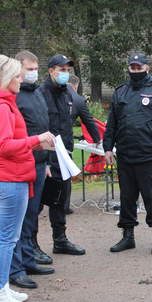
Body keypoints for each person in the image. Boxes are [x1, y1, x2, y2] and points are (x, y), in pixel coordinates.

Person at [0, 54, 55, 302]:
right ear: (7, 78)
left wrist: (36, 142)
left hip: (12, 176)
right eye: (19, 76)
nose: (22, 80)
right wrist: (36, 140)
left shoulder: (2, 103)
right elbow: (5, 145)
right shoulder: (0, 107)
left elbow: (10, 141)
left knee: (7, 238)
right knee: (6, 239)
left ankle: (2, 289)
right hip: (9, 178)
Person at [103, 53, 152, 255]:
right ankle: (128, 237)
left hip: (150, 155)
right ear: (128, 68)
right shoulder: (120, 92)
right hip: (126, 154)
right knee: (127, 198)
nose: (136, 71)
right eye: (132, 68)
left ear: (147, 68)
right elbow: (112, 123)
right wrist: (108, 147)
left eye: (139, 68)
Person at [6, 50, 55, 291]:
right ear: (17, 69)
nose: (33, 73)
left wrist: (46, 162)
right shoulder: (13, 97)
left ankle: (27, 260)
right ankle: (15, 269)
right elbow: (16, 134)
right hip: (21, 164)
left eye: (36, 68)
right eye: (29, 69)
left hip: (38, 163)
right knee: (19, 219)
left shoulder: (36, 92)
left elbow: (42, 126)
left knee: (31, 216)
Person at [37, 54, 86, 256]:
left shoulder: (67, 93)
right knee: (38, 203)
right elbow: (40, 127)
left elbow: (66, 124)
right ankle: (31, 245)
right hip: (46, 157)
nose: (66, 73)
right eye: (62, 70)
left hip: (64, 155)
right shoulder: (41, 93)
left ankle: (60, 240)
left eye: (68, 70)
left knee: (60, 200)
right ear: (51, 71)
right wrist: (46, 161)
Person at [65, 75, 102, 215]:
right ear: (76, 86)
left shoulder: (50, 94)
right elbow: (89, 121)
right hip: (64, 140)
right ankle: (64, 205)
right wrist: (97, 139)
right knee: (65, 172)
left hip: (45, 139)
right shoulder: (78, 100)